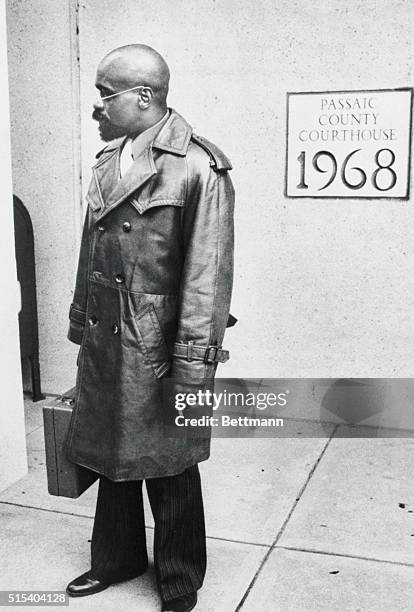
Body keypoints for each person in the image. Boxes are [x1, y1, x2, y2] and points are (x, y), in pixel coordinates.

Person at [64, 44, 235, 612]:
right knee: (113, 452)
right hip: (108, 335)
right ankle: (116, 559)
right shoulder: (108, 161)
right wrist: (79, 323)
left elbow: (206, 276)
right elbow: (91, 251)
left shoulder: (197, 166)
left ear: (144, 95)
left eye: (105, 95)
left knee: (171, 461)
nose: (97, 108)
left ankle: (180, 575)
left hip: (158, 342)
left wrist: (192, 364)